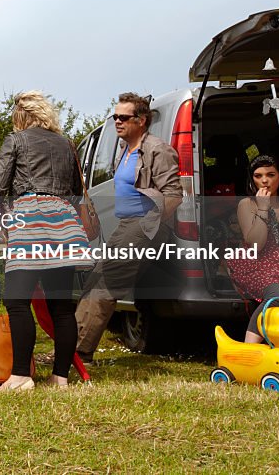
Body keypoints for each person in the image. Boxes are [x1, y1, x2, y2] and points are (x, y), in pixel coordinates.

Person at [0, 91, 90, 390]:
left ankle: (21, 376)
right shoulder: (66, 144)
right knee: (61, 306)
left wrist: (3, 214)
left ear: (21, 116)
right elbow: (75, 190)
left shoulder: (16, 140)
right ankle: (60, 377)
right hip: (63, 221)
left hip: (29, 218)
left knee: (17, 301)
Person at [75, 92, 182, 363]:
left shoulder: (158, 149)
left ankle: (79, 353)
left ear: (141, 120)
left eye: (124, 117)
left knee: (105, 284)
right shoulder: (125, 150)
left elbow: (173, 194)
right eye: (115, 117)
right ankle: (74, 348)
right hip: (126, 225)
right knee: (95, 280)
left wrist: (149, 224)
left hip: (143, 225)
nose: (117, 122)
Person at [227, 155, 279, 343]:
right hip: (258, 264)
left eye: (271, 174)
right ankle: (249, 347)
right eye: (258, 176)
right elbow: (256, 245)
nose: (265, 181)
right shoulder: (247, 205)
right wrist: (263, 209)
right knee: (277, 294)